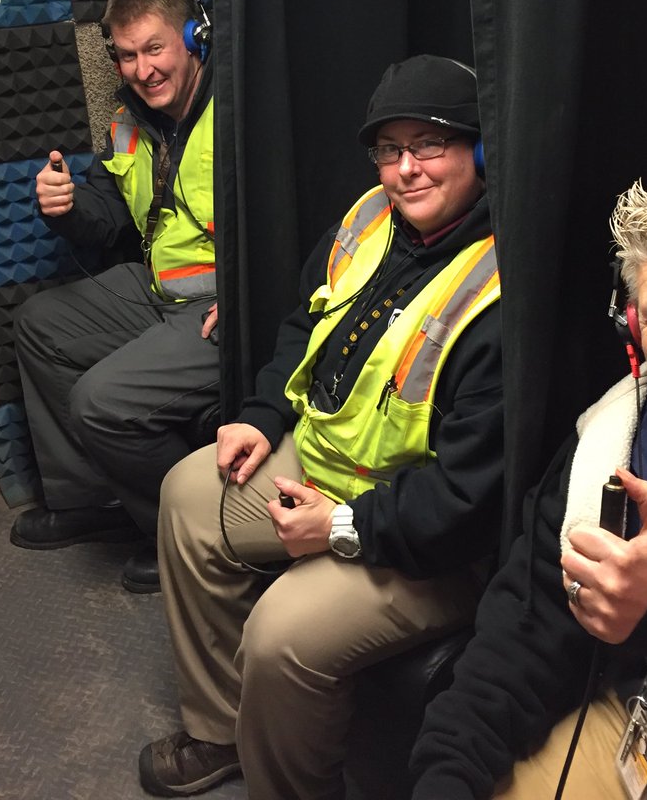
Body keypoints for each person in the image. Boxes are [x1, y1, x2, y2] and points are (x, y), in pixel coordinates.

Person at [138, 55, 506, 799]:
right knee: (186, 493)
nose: (406, 170)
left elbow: (469, 500)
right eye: (390, 150)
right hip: (325, 469)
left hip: (430, 544)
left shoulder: (499, 291)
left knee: (282, 634)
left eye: (429, 145)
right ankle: (220, 732)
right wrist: (263, 415)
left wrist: (342, 526)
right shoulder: (369, 216)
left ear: (480, 151)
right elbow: (304, 324)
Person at [410, 154, 647, 800]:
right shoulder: (612, 440)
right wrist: (446, 771)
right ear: (634, 326)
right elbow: (523, 635)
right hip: (638, 737)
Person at [9, 0, 218, 595]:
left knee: (99, 398)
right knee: (40, 324)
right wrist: (67, 205)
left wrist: (252, 294)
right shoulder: (130, 121)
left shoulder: (242, 116)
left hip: (221, 306)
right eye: (127, 55)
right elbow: (106, 217)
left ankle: (182, 534)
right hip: (156, 291)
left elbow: (297, 219)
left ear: (194, 38)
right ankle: (94, 501)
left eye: (154, 49)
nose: (142, 70)